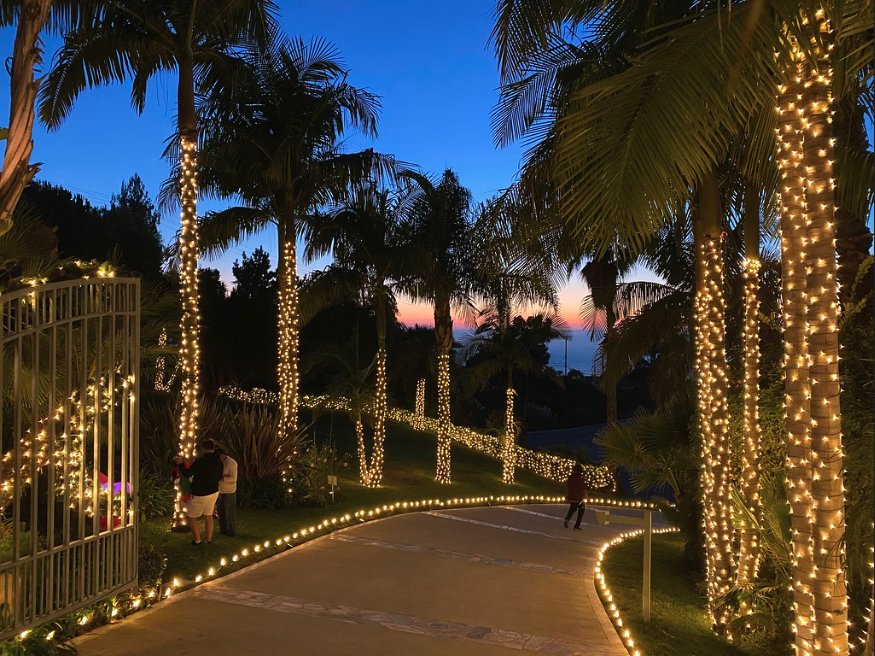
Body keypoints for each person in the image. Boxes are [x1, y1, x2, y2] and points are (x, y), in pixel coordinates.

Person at [173, 439, 223, 546]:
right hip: (214, 492)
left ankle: (197, 540)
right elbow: (220, 476)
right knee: (208, 515)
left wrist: (181, 464)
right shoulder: (218, 461)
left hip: (200, 493)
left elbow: (187, 473)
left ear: (203, 449)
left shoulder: (200, 461)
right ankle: (209, 540)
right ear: (213, 448)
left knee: (191, 516)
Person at [215, 448, 238, 537]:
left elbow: (234, 479)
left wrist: (223, 478)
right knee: (221, 511)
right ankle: (223, 529)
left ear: (224, 455)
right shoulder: (219, 462)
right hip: (220, 490)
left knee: (230, 511)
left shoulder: (231, 463)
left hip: (229, 491)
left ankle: (232, 531)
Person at [564, 463, 588, 530]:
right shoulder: (581, 479)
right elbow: (583, 488)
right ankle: (577, 525)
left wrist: (566, 496)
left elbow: (567, 487)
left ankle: (567, 519)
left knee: (572, 508)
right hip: (578, 498)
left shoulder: (571, 477)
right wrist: (585, 496)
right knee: (582, 509)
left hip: (571, 497)